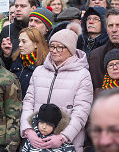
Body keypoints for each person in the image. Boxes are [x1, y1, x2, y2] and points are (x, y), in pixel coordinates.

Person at [21, 23, 93, 152]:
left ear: (70, 50)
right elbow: (28, 103)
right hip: (36, 142)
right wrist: (28, 130)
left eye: (60, 47)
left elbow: (81, 111)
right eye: (52, 46)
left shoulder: (82, 74)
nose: (54, 50)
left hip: (67, 144)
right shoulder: (39, 71)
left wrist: (63, 136)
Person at [0, 0, 37, 68]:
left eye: (23, 6)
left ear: (33, 8)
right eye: (16, 6)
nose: (18, 9)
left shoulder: (38, 29)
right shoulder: (7, 30)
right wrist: (6, 55)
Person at [10, 27, 49, 98]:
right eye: (19, 41)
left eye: (24, 41)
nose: (20, 45)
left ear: (36, 44)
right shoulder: (16, 61)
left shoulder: (44, 66)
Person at [88, 8, 119, 91]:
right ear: (106, 29)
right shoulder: (95, 56)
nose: (114, 30)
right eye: (110, 25)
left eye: (118, 25)